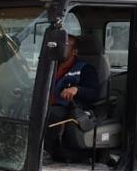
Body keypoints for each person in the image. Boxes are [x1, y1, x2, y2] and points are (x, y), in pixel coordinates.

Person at [43, 26, 102, 160]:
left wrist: (77, 89)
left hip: (68, 107)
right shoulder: (51, 67)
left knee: (50, 114)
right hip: (46, 102)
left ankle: (46, 152)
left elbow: (94, 93)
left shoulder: (86, 69)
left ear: (74, 51)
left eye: (65, 45)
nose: (60, 48)